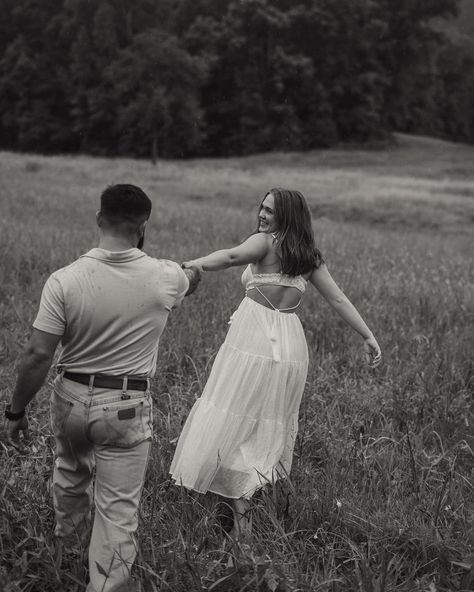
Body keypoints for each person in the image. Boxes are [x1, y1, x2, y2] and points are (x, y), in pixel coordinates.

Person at [5, 184, 200, 592]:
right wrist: (192, 271)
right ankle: (105, 584)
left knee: (71, 475)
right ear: (142, 226)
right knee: (117, 509)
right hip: (126, 406)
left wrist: (16, 411)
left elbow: (37, 355)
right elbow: (190, 279)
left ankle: (68, 558)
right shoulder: (166, 276)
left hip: (71, 398)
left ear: (98, 219)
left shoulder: (64, 280)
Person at [170, 188, 381, 537]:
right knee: (260, 423)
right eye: (262, 208)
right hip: (289, 346)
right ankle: (238, 500)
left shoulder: (266, 243)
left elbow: (230, 257)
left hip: (254, 342)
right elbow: (338, 299)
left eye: (270, 211)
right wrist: (368, 335)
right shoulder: (308, 256)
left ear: (287, 217)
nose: (262, 215)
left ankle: (241, 516)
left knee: (233, 415)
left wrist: (194, 264)